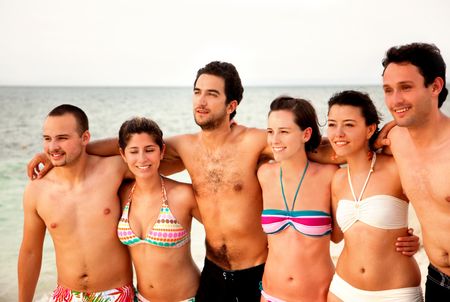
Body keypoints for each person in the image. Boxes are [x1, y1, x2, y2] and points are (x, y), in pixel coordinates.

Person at [26, 61, 419, 301]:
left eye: (211, 94)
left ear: (231, 105)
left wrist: (377, 141)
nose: (200, 101)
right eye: (197, 92)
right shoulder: (182, 145)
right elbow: (127, 147)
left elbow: (313, 149)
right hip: (212, 272)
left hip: (258, 271)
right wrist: (58, 151)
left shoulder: (256, 142)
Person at [18, 105, 135, 301]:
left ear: (85, 137)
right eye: (47, 139)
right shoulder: (36, 189)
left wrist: (84, 149)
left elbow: (145, 146)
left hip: (115, 294)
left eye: (62, 138)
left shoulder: (113, 169)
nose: (53, 146)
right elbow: (30, 252)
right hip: (66, 295)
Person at [326, 90, 423, 301]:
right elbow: (336, 236)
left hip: (395, 292)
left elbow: (435, 208)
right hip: (343, 289)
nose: (338, 133)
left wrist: (421, 240)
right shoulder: (337, 179)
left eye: (349, 125)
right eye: (332, 124)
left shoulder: (396, 168)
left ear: (370, 129)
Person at [382, 43, 450, 300]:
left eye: (406, 88)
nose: (395, 100)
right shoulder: (394, 141)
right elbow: (339, 149)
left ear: (435, 86)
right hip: (436, 280)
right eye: (388, 90)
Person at [258, 96, 337, 301]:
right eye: (270, 131)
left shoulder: (329, 176)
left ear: (306, 134)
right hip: (270, 295)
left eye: (284, 132)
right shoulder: (264, 174)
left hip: (317, 297)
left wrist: (398, 237)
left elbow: (347, 233)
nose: (274, 140)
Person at [117, 116, 201, 301]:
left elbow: (223, 232)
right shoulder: (121, 194)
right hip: (142, 299)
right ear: (123, 154)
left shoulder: (183, 195)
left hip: (187, 298)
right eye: (133, 151)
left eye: (149, 150)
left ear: (162, 151)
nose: (142, 158)